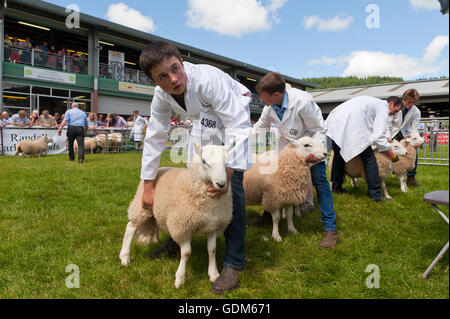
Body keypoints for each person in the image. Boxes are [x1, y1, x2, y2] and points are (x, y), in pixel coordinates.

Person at [139, 41, 252, 294]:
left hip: (234, 113)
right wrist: (148, 184)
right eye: (163, 77)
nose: (174, 79)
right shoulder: (161, 96)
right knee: (193, 180)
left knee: (231, 187)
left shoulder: (208, 80)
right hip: (204, 122)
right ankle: (178, 238)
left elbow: (238, 125)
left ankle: (233, 262)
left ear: (181, 61)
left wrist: (229, 171)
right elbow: (156, 135)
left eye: (175, 69)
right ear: (154, 81)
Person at [248, 73, 338, 248]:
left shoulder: (303, 102)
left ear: (276, 94)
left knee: (320, 181)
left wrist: (314, 153)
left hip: (310, 147)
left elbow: (318, 129)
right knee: (273, 182)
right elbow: (258, 128)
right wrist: (238, 142)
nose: (260, 98)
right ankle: (268, 217)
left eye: (262, 95)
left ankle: (330, 229)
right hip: (286, 150)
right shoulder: (269, 107)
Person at [325, 96, 403, 202]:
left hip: (335, 124)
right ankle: (375, 194)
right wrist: (392, 156)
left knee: (339, 156)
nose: (394, 113)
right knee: (369, 159)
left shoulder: (371, 101)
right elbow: (379, 137)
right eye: (396, 110)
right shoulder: (383, 107)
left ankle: (336, 188)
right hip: (350, 126)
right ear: (390, 104)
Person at [386, 89, 422, 187]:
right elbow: (388, 123)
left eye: (413, 102)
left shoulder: (416, 111)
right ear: (403, 99)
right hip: (392, 132)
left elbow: (414, 127)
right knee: (386, 151)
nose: (411, 105)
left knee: (413, 152)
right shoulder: (396, 106)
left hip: (405, 133)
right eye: (409, 102)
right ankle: (383, 172)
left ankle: (411, 177)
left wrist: (416, 139)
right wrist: (388, 136)